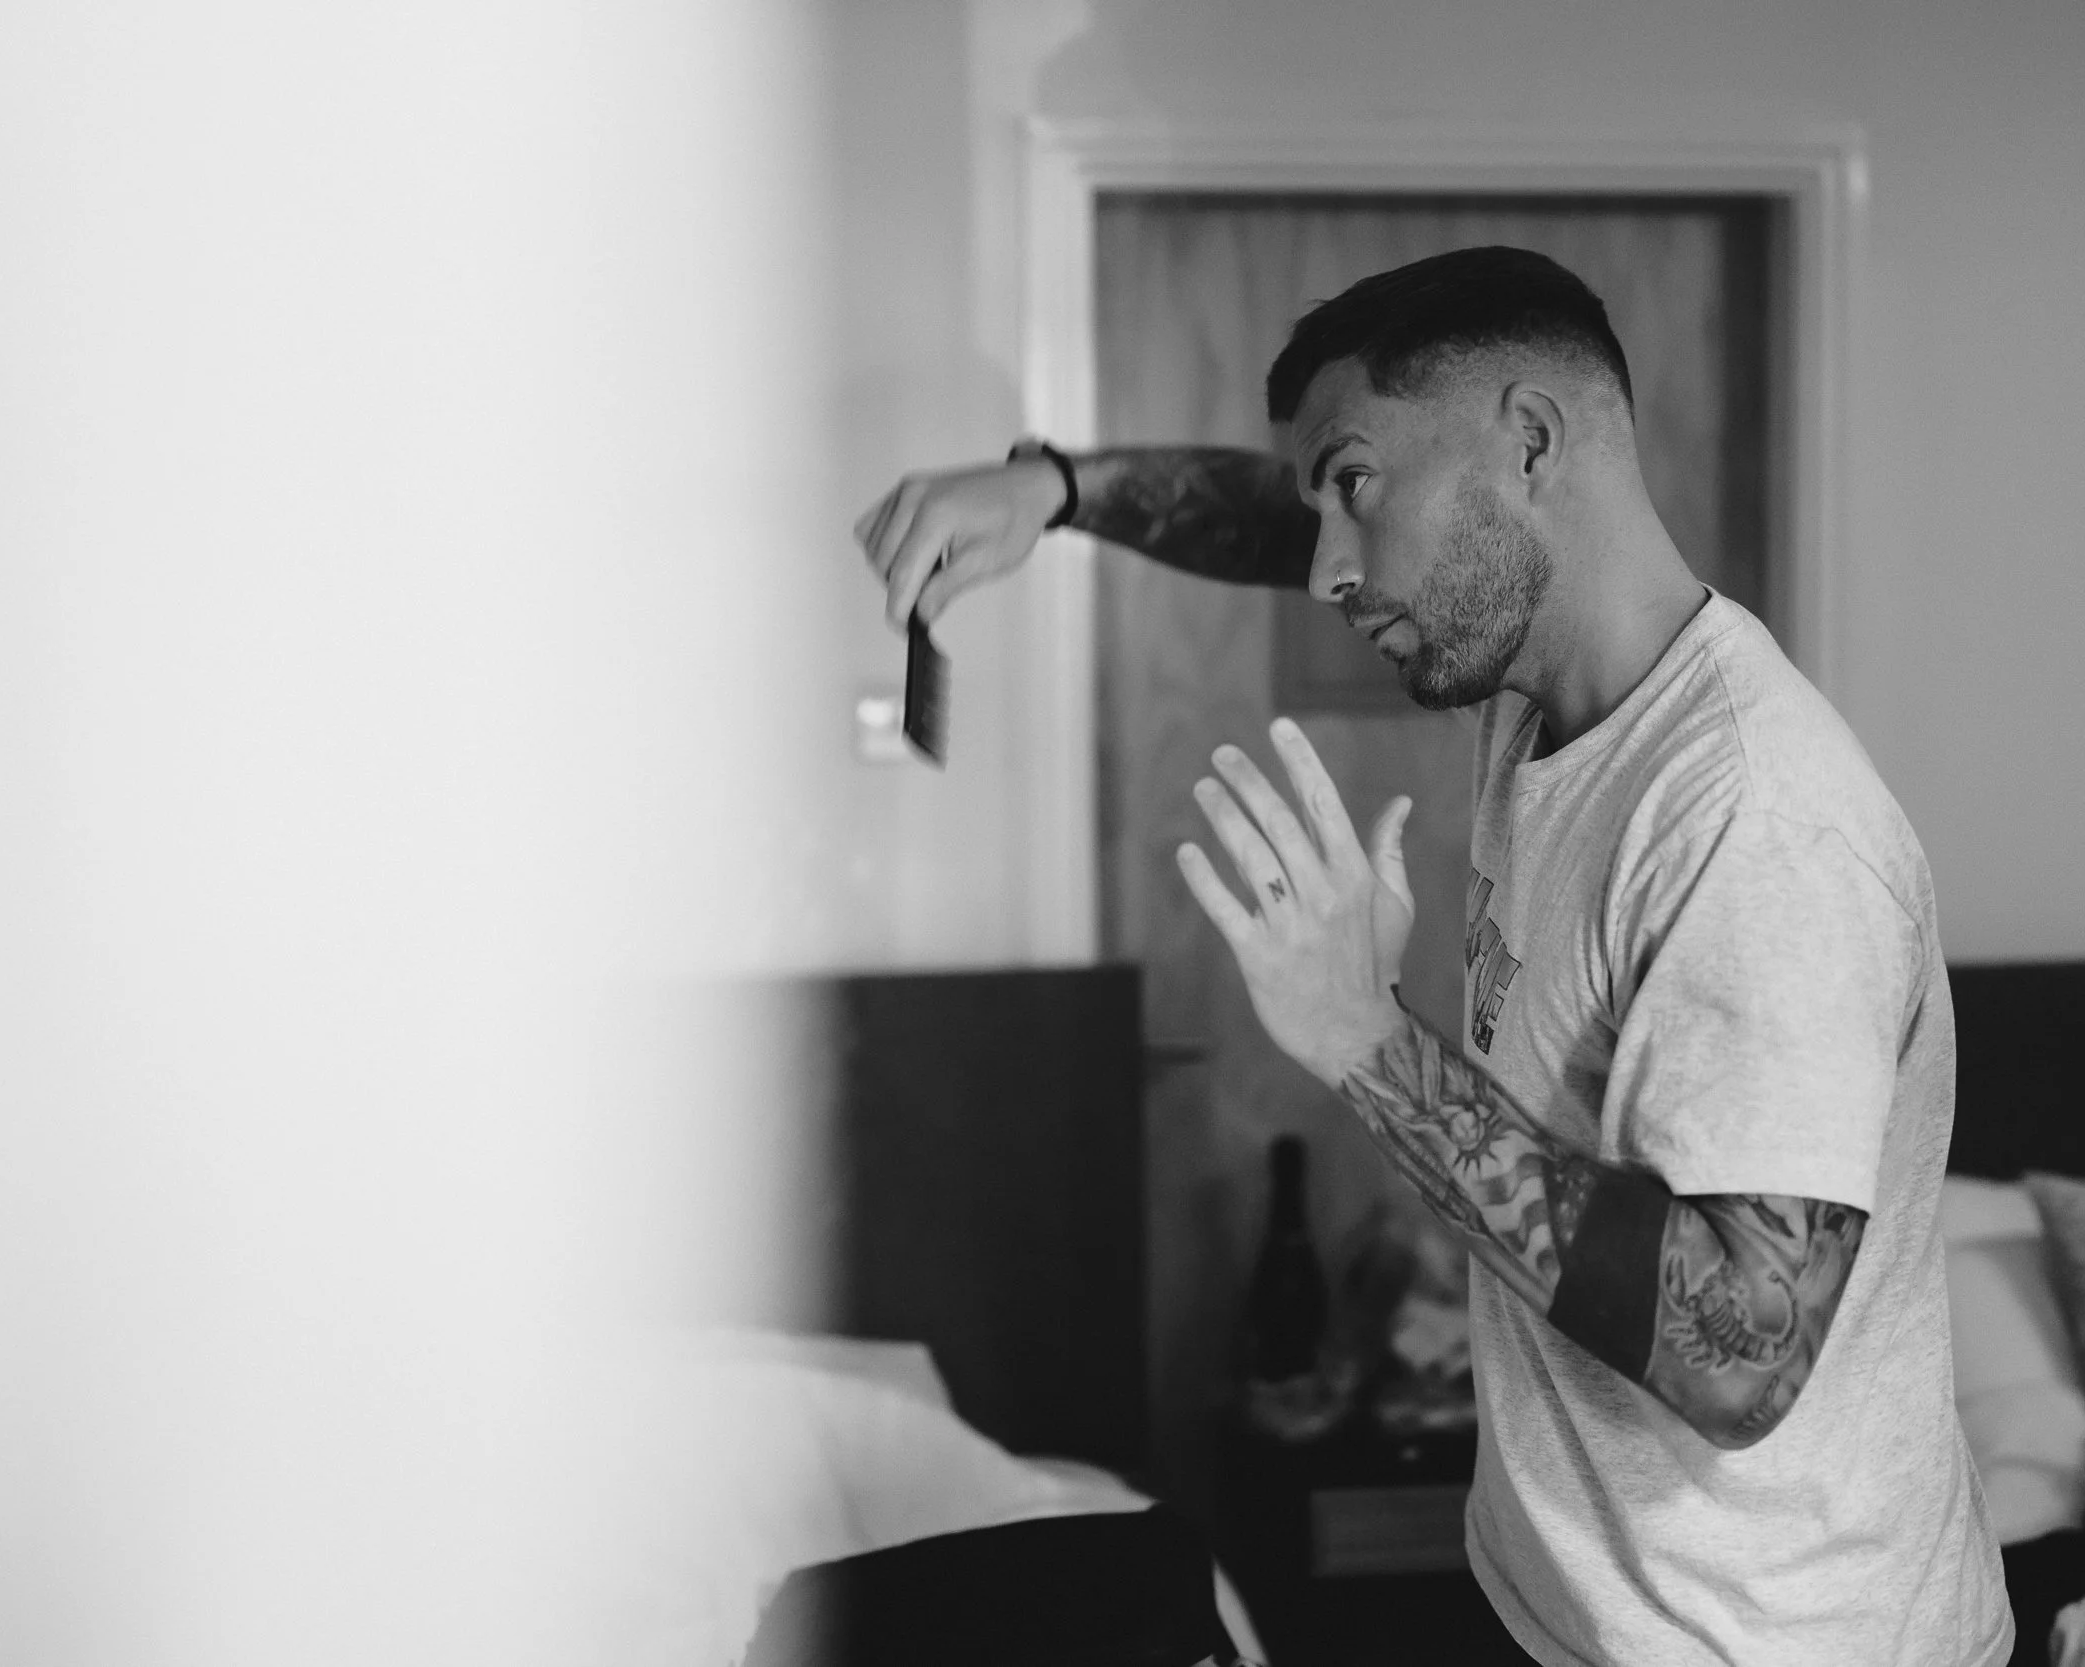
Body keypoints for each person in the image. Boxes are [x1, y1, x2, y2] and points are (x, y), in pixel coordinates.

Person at [854, 246, 2009, 1666]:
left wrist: (1363, 1035)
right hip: (1586, 1613)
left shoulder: (1759, 824)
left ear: (1530, 441)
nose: (1330, 565)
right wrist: (1056, 489)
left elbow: (1741, 1347)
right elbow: (1274, 523)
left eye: (1354, 486)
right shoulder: (1548, 687)